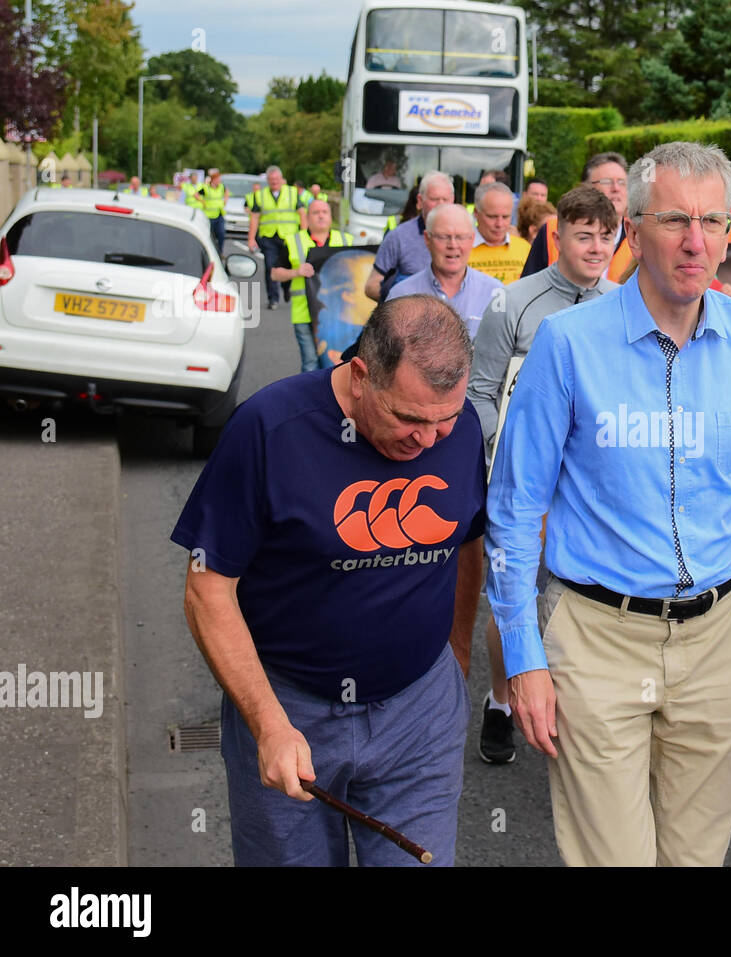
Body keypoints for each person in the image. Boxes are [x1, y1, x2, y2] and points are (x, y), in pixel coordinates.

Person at [485, 141, 731, 866]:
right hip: (597, 640)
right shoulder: (567, 344)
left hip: (718, 641)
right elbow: (516, 510)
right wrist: (521, 656)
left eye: (713, 221)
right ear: (634, 226)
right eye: (676, 219)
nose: (696, 241)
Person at [172, 295, 486, 866]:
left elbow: (468, 542)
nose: (428, 443)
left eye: (445, 421)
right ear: (361, 375)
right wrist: (268, 724)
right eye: (409, 419)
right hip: (291, 707)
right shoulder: (270, 428)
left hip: (421, 712)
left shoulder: (458, 431)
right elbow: (206, 588)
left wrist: (457, 660)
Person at [467, 184, 619, 764]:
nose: (597, 247)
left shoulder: (622, 302)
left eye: (607, 237)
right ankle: (501, 702)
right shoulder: (514, 303)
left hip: (588, 487)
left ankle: (578, 705)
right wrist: (497, 462)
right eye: (584, 235)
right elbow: (481, 395)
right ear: (558, 237)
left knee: (592, 598)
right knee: (517, 595)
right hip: (522, 484)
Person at [389, 204, 503, 338]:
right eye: (443, 237)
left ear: (472, 239)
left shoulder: (495, 294)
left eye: (460, 237)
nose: (453, 245)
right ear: (427, 239)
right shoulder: (401, 295)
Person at [519, 152, 634, 283]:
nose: (616, 188)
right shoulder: (552, 228)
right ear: (586, 186)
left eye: (622, 182)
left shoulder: (637, 236)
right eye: (607, 181)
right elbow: (530, 287)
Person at [270, 198, 354, 373]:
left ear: (331, 217)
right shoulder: (293, 241)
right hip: (304, 314)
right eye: (316, 213)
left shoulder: (346, 240)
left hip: (338, 315)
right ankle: (310, 399)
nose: (321, 216)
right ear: (307, 217)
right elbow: (275, 274)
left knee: (335, 364)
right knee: (310, 364)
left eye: (325, 212)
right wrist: (296, 272)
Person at [365, 171, 454, 303]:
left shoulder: (466, 235)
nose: (440, 205)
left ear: (452, 201)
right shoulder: (398, 237)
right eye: (434, 199)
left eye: (445, 199)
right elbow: (371, 287)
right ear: (419, 201)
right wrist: (405, 303)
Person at [247, 166, 308, 311]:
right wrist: (251, 239)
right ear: (267, 181)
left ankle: (286, 287)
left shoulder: (292, 193)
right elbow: (254, 218)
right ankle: (273, 298)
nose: (274, 182)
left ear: (281, 179)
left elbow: (302, 214)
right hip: (268, 237)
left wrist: (304, 235)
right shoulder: (260, 195)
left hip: (289, 238)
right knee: (270, 267)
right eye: (271, 179)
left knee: (288, 266)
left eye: (277, 179)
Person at [468, 182, 531, 285]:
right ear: (476, 213)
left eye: (505, 217)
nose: (499, 224)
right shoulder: (459, 248)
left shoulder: (525, 248)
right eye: (492, 217)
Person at [197, 168, 228, 251]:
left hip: (219, 214)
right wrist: (203, 202)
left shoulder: (221, 187)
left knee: (221, 234)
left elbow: (226, 192)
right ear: (213, 179)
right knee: (210, 235)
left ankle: (220, 252)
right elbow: (196, 194)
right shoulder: (206, 188)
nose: (219, 181)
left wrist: (225, 200)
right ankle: (209, 251)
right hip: (209, 216)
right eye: (218, 179)